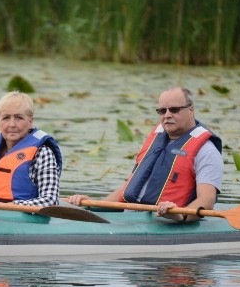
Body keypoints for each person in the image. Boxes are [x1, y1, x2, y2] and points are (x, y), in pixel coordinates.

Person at [67, 87, 222, 222]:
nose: (167, 115)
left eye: (174, 110)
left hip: (168, 221)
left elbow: (206, 200)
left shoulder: (207, 151)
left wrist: (179, 215)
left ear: (191, 110)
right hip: (132, 216)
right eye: (162, 111)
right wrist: (93, 204)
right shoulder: (156, 140)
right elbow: (129, 188)